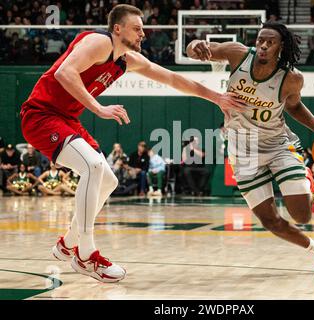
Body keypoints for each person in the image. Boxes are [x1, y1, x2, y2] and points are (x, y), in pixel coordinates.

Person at [20, 4, 245, 283]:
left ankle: (67, 243)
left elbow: (174, 78)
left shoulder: (128, 60)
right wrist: (98, 108)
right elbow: (64, 73)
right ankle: (86, 255)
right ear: (118, 28)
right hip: (41, 115)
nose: (143, 34)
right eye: (137, 28)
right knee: (92, 166)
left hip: (66, 119)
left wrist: (218, 98)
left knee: (108, 180)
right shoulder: (99, 42)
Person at [187, 20, 314, 275]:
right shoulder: (237, 54)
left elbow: (294, 108)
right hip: (242, 152)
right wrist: (196, 45)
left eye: (270, 42)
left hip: (278, 145)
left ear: (281, 47)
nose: (263, 45)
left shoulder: (291, 78)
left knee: (302, 216)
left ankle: (306, 177)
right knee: (270, 221)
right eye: (260, 40)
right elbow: (194, 49)